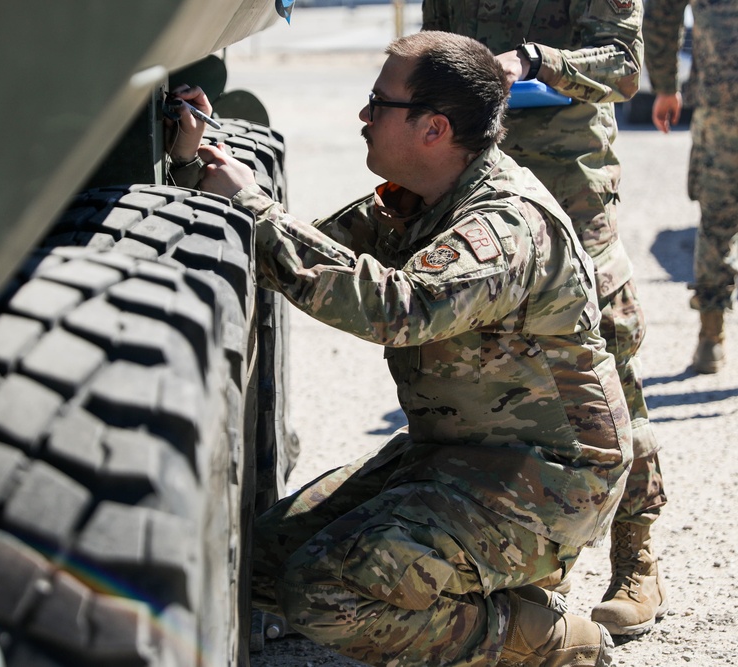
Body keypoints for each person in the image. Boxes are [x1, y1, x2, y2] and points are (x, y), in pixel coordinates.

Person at [170, 31, 629, 666]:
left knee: (323, 591)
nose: (363, 116)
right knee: (257, 566)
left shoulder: (504, 224)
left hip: (550, 481)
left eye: (377, 103)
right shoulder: (422, 198)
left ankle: (540, 637)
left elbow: (398, 308)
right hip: (458, 456)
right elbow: (306, 259)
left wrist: (252, 205)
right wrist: (202, 164)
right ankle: (498, 580)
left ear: (434, 128)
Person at [422, 0, 669, 637]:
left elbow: (622, 66)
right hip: (481, 187)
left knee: (605, 366)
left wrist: (538, 62)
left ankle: (635, 558)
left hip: (573, 192)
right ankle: (532, 560)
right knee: (498, 369)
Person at [647, 0, 738, 374]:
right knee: (716, 221)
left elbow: (662, 14)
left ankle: (710, 338)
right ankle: (710, 337)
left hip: (722, 104)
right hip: (722, 106)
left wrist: (666, 86)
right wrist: (666, 84)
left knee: (717, 222)